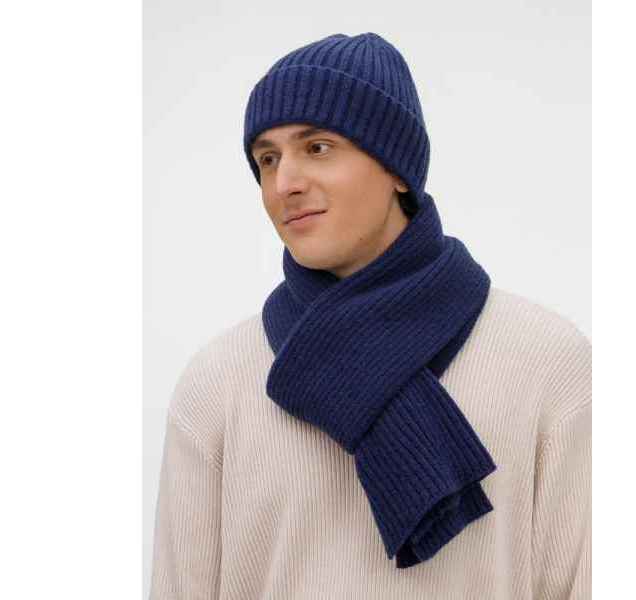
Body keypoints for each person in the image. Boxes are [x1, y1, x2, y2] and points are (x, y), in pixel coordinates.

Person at [148, 32, 591, 599]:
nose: (285, 184)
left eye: (318, 147)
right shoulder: (219, 383)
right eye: (267, 158)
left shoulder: (547, 365)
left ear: (398, 168)